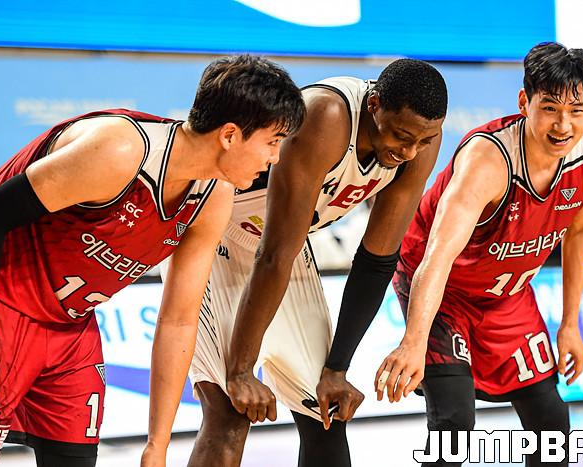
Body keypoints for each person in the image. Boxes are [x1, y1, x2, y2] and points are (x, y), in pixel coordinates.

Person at [0, 55, 305, 467]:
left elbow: (179, 320)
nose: (275, 158)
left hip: (69, 324)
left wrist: (158, 445)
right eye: (273, 141)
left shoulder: (213, 195)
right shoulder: (121, 151)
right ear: (230, 135)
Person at [157, 59, 449, 467]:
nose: (410, 152)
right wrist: (241, 370)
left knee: (325, 412)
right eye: (401, 137)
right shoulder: (326, 117)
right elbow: (274, 254)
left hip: (283, 250)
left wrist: (337, 368)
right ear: (374, 105)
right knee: (229, 413)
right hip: (214, 232)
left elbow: (377, 261)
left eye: (424, 140)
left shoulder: (418, 137)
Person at [376, 42, 583, 467]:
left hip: (506, 295)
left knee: (551, 422)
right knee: (454, 423)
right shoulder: (488, 161)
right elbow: (437, 256)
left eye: (576, 111)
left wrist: (570, 324)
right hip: (443, 288)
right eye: (550, 108)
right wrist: (414, 342)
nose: (563, 125)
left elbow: (580, 230)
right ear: (525, 102)